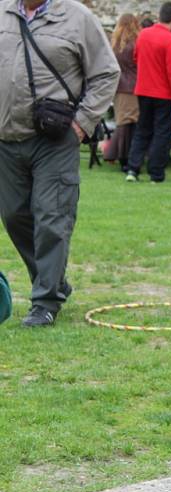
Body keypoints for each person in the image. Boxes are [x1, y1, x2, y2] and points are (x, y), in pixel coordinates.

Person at [0, 0, 119, 327]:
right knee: (12, 215)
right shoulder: (3, 12)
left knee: (52, 216)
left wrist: (82, 123)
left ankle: (45, 301)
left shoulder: (77, 17)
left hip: (54, 139)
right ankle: (53, 279)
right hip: (6, 138)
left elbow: (107, 72)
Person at [126, 2, 171, 183]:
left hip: (143, 90)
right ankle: (156, 173)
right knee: (161, 133)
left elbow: (136, 57)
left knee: (142, 130)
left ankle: (133, 169)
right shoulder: (169, 40)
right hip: (163, 94)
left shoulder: (144, 34)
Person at [103, 13, 140, 172]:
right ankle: (123, 157)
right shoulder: (134, 44)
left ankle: (115, 154)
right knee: (128, 124)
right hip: (133, 86)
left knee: (123, 122)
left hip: (119, 87)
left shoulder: (114, 44)